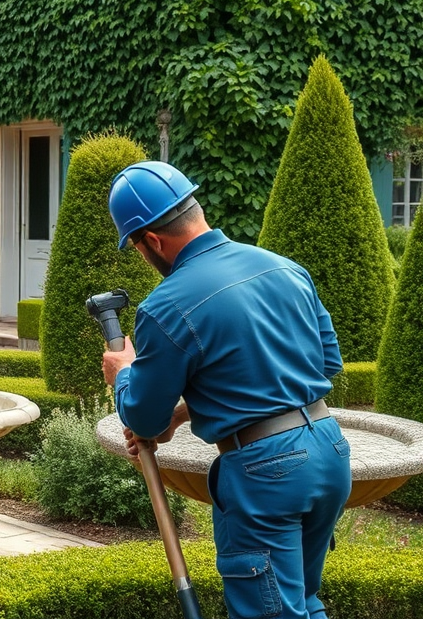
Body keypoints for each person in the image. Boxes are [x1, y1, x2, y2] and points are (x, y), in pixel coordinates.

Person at [100, 161, 351, 619]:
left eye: (135, 246)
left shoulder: (166, 305)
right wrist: (184, 414)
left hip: (267, 475)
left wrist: (124, 374)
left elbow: (142, 418)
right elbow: (325, 365)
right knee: (303, 604)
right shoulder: (284, 268)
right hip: (330, 451)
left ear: (151, 241)